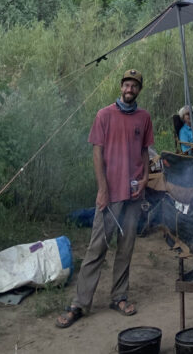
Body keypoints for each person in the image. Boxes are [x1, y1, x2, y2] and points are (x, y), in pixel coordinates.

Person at [56, 68, 153, 328]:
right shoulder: (104, 115)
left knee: (126, 248)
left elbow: (145, 150)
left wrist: (145, 178)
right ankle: (80, 303)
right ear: (120, 87)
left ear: (139, 90)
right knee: (97, 248)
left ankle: (119, 296)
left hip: (134, 193)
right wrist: (102, 189)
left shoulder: (144, 118)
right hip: (110, 195)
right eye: (126, 84)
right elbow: (97, 154)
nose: (129, 89)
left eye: (134, 85)